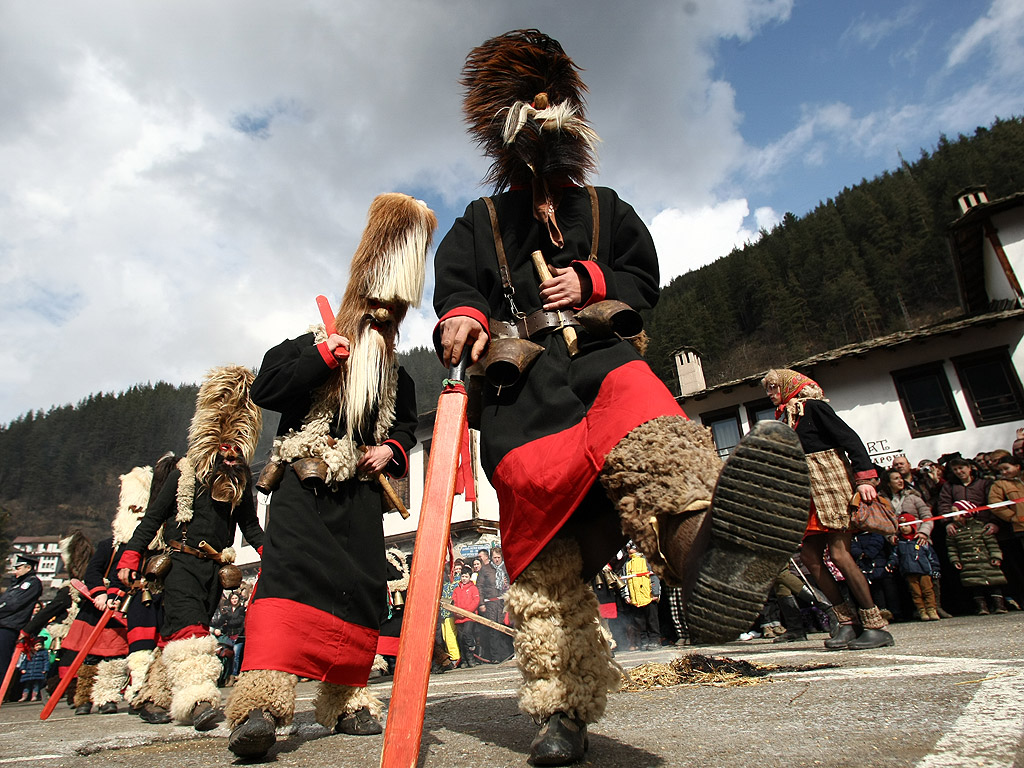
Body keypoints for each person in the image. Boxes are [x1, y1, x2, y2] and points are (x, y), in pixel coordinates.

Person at [432, 30, 811, 765]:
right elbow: (456, 288)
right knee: (545, 553)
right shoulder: (479, 220)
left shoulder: (607, 206)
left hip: (601, 360)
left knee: (652, 429)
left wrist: (593, 283)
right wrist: (464, 315)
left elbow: (643, 280)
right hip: (524, 393)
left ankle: (707, 560)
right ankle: (562, 712)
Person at [224, 193, 433, 759]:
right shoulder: (304, 346)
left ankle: (345, 700)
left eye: (392, 324)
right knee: (286, 581)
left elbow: (407, 429)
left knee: (362, 588)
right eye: (375, 318)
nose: (382, 329)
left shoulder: (400, 378)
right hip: (302, 489)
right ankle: (261, 704)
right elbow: (267, 390)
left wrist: (390, 450)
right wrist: (323, 359)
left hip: (361, 500)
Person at [116, 365, 265, 731]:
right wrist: (132, 555)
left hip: (215, 570)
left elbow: (251, 528)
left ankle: (153, 695)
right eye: (224, 455)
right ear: (211, 447)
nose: (230, 462)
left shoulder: (241, 483)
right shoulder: (185, 474)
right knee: (191, 633)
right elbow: (152, 518)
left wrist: (274, 555)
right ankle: (199, 702)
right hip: (178, 563)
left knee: (180, 633)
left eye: (236, 457)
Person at [762, 368, 894, 650]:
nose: (770, 394)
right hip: (810, 492)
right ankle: (846, 622)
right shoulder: (788, 417)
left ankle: (875, 624)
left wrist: (865, 479)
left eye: (774, 388)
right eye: (769, 390)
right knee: (810, 556)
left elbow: (850, 440)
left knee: (840, 554)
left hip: (832, 485)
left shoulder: (814, 408)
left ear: (789, 386)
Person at [0, 554, 43, 689]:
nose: (15, 571)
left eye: (18, 568)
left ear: (28, 567)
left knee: (2, 661)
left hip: (10, 625)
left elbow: (13, 603)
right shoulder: (15, 584)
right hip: (3, 622)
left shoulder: (32, 582)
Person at [887, 514, 941, 620]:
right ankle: (921, 611)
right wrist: (891, 563)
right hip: (909, 571)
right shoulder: (899, 543)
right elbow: (895, 556)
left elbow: (931, 556)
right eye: (901, 525)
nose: (903, 528)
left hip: (924, 570)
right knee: (915, 593)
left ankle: (931, 609)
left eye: (906, 525)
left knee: (928, 590)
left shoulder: (921, 541)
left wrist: (935, 569)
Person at [989, 454, 1024, 609]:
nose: (1003, 472)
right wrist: (1012, 517)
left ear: (1017, 467)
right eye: (1001, 470)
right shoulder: (999, 485)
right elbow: (995, 505)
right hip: (1020, 529)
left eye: (1006, 468)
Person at [620, 543, 660, 650]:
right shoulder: (626, 564)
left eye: (630, 547)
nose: (628, 549)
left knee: (652, 620)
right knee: (639, 621)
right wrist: (626, 595)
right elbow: (625, 581)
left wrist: (655, 592)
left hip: (648, 596)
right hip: (635, 597)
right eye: (627, 547)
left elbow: (654, 576)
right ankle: (644, 641)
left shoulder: (646, 560)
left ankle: (655, 640)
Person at [211, 592, 246, 687]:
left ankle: (233, 675)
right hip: (229, 635)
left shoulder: (241, 610)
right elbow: (221, 621)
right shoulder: (227, 611)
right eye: (233, 599)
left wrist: (229, 623)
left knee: (236, 656)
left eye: (236, 598)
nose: (234, 600)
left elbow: (240, 621)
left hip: (239, 636)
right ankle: (227, 675)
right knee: (228, 655)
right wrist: (219, 628)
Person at [451, 567, 482, 668]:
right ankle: (464, 660)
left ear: (470, 577)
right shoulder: (456, 590)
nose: (464, 578)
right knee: (460, 639)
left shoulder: (473, 588)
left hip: (469, 616)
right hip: (459, 617)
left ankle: (471, 657)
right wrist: (457, 613)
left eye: (466, 576)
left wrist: (466, 612)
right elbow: (453, 603)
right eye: (462, 576)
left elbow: (475, 601)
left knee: (467, 633)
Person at [16, 636, 49, 702]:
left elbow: (46, 661)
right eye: (37, 645)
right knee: (27, 685)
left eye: (40, 645)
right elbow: (25, 661)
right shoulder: (30, 652)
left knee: (36, 684)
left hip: (38, 671)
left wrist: (45, 669)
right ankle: (24, 696)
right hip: (29, 671)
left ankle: (34, 696)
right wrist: (23, 668)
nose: (38, 647)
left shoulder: (43, 652)